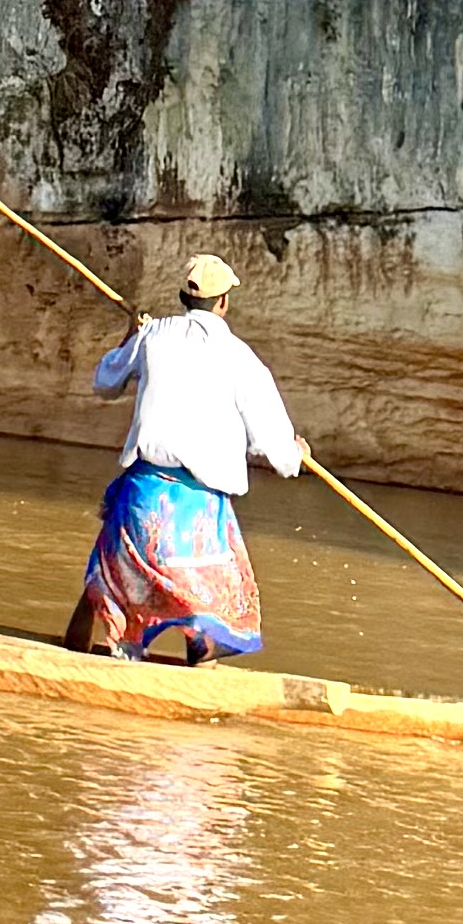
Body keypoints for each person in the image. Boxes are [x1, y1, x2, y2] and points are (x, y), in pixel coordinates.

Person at [70, 250, 299, 660]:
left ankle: (77, 652)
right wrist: (296, 453)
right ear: (224, 302)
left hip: (144, 494)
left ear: (182, 296)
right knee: (208, 610)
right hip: (199, 509)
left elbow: (105, 382)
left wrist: (132, 334)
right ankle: (197, 665)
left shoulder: (153, 335)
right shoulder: (242, 360)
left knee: (104, 579)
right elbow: (277, 452)